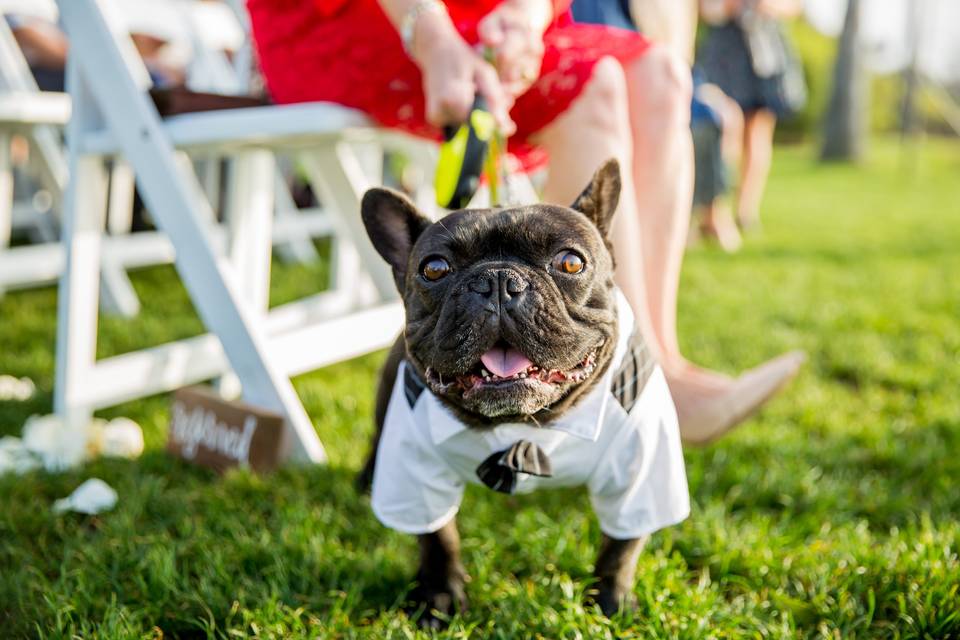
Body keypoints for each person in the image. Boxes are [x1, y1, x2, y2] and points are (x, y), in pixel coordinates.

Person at [247, 0, 805, 443]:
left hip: (476, 17)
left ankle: (656, 363)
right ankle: (618, 385)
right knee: (596, 85)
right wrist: (431, 34)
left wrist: (527, 15)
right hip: (351, 18)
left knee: (662, 72)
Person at [698, 0, 806, 230]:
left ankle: (746, 211)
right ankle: (716, 210)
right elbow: (706, 10)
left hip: (765, 51)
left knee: (758, 131)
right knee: (723, 127)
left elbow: (794, 7)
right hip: (726, 52)